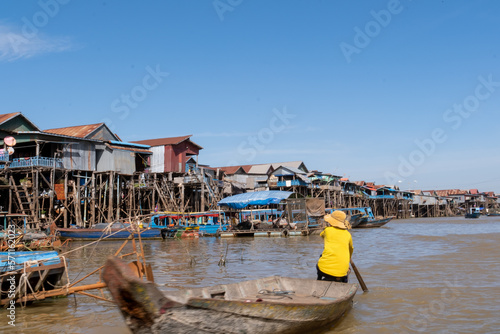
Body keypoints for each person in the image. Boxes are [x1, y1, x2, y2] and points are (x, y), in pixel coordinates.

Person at [317, 210, 353, 283]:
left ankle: (319, 281)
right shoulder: (348, 234)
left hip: (323, 270)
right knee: (345, 271)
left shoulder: (327, 230)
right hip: (342, 271)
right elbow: (351, 249)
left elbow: (321, 235)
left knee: (319, 263)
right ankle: (343, 282)